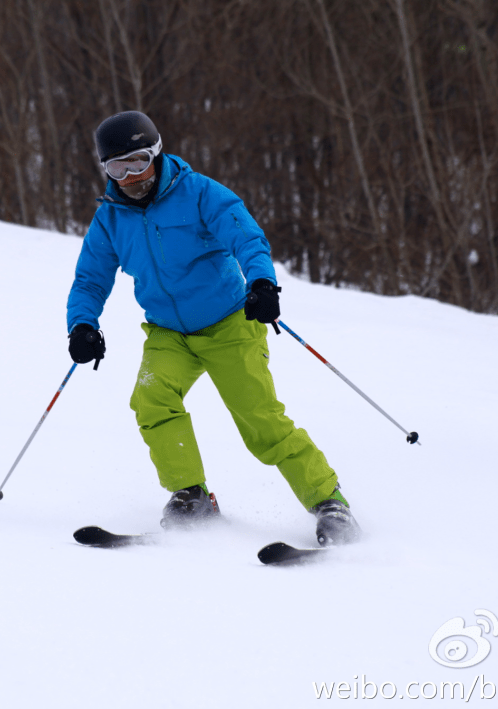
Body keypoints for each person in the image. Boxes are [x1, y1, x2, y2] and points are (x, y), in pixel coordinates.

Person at [65, 110, 359, 545]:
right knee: (151, 399)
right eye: (117, 168)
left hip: (230, 324)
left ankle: (330, 504)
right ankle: (191, 496)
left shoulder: (200, 194)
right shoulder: (110, 220)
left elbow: (247, 238)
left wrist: (261, 282)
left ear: (157, 153)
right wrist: (82, 325)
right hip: (168, 334)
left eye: (139, 162)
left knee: (260, 421)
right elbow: (90, 279)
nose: (131, 177)